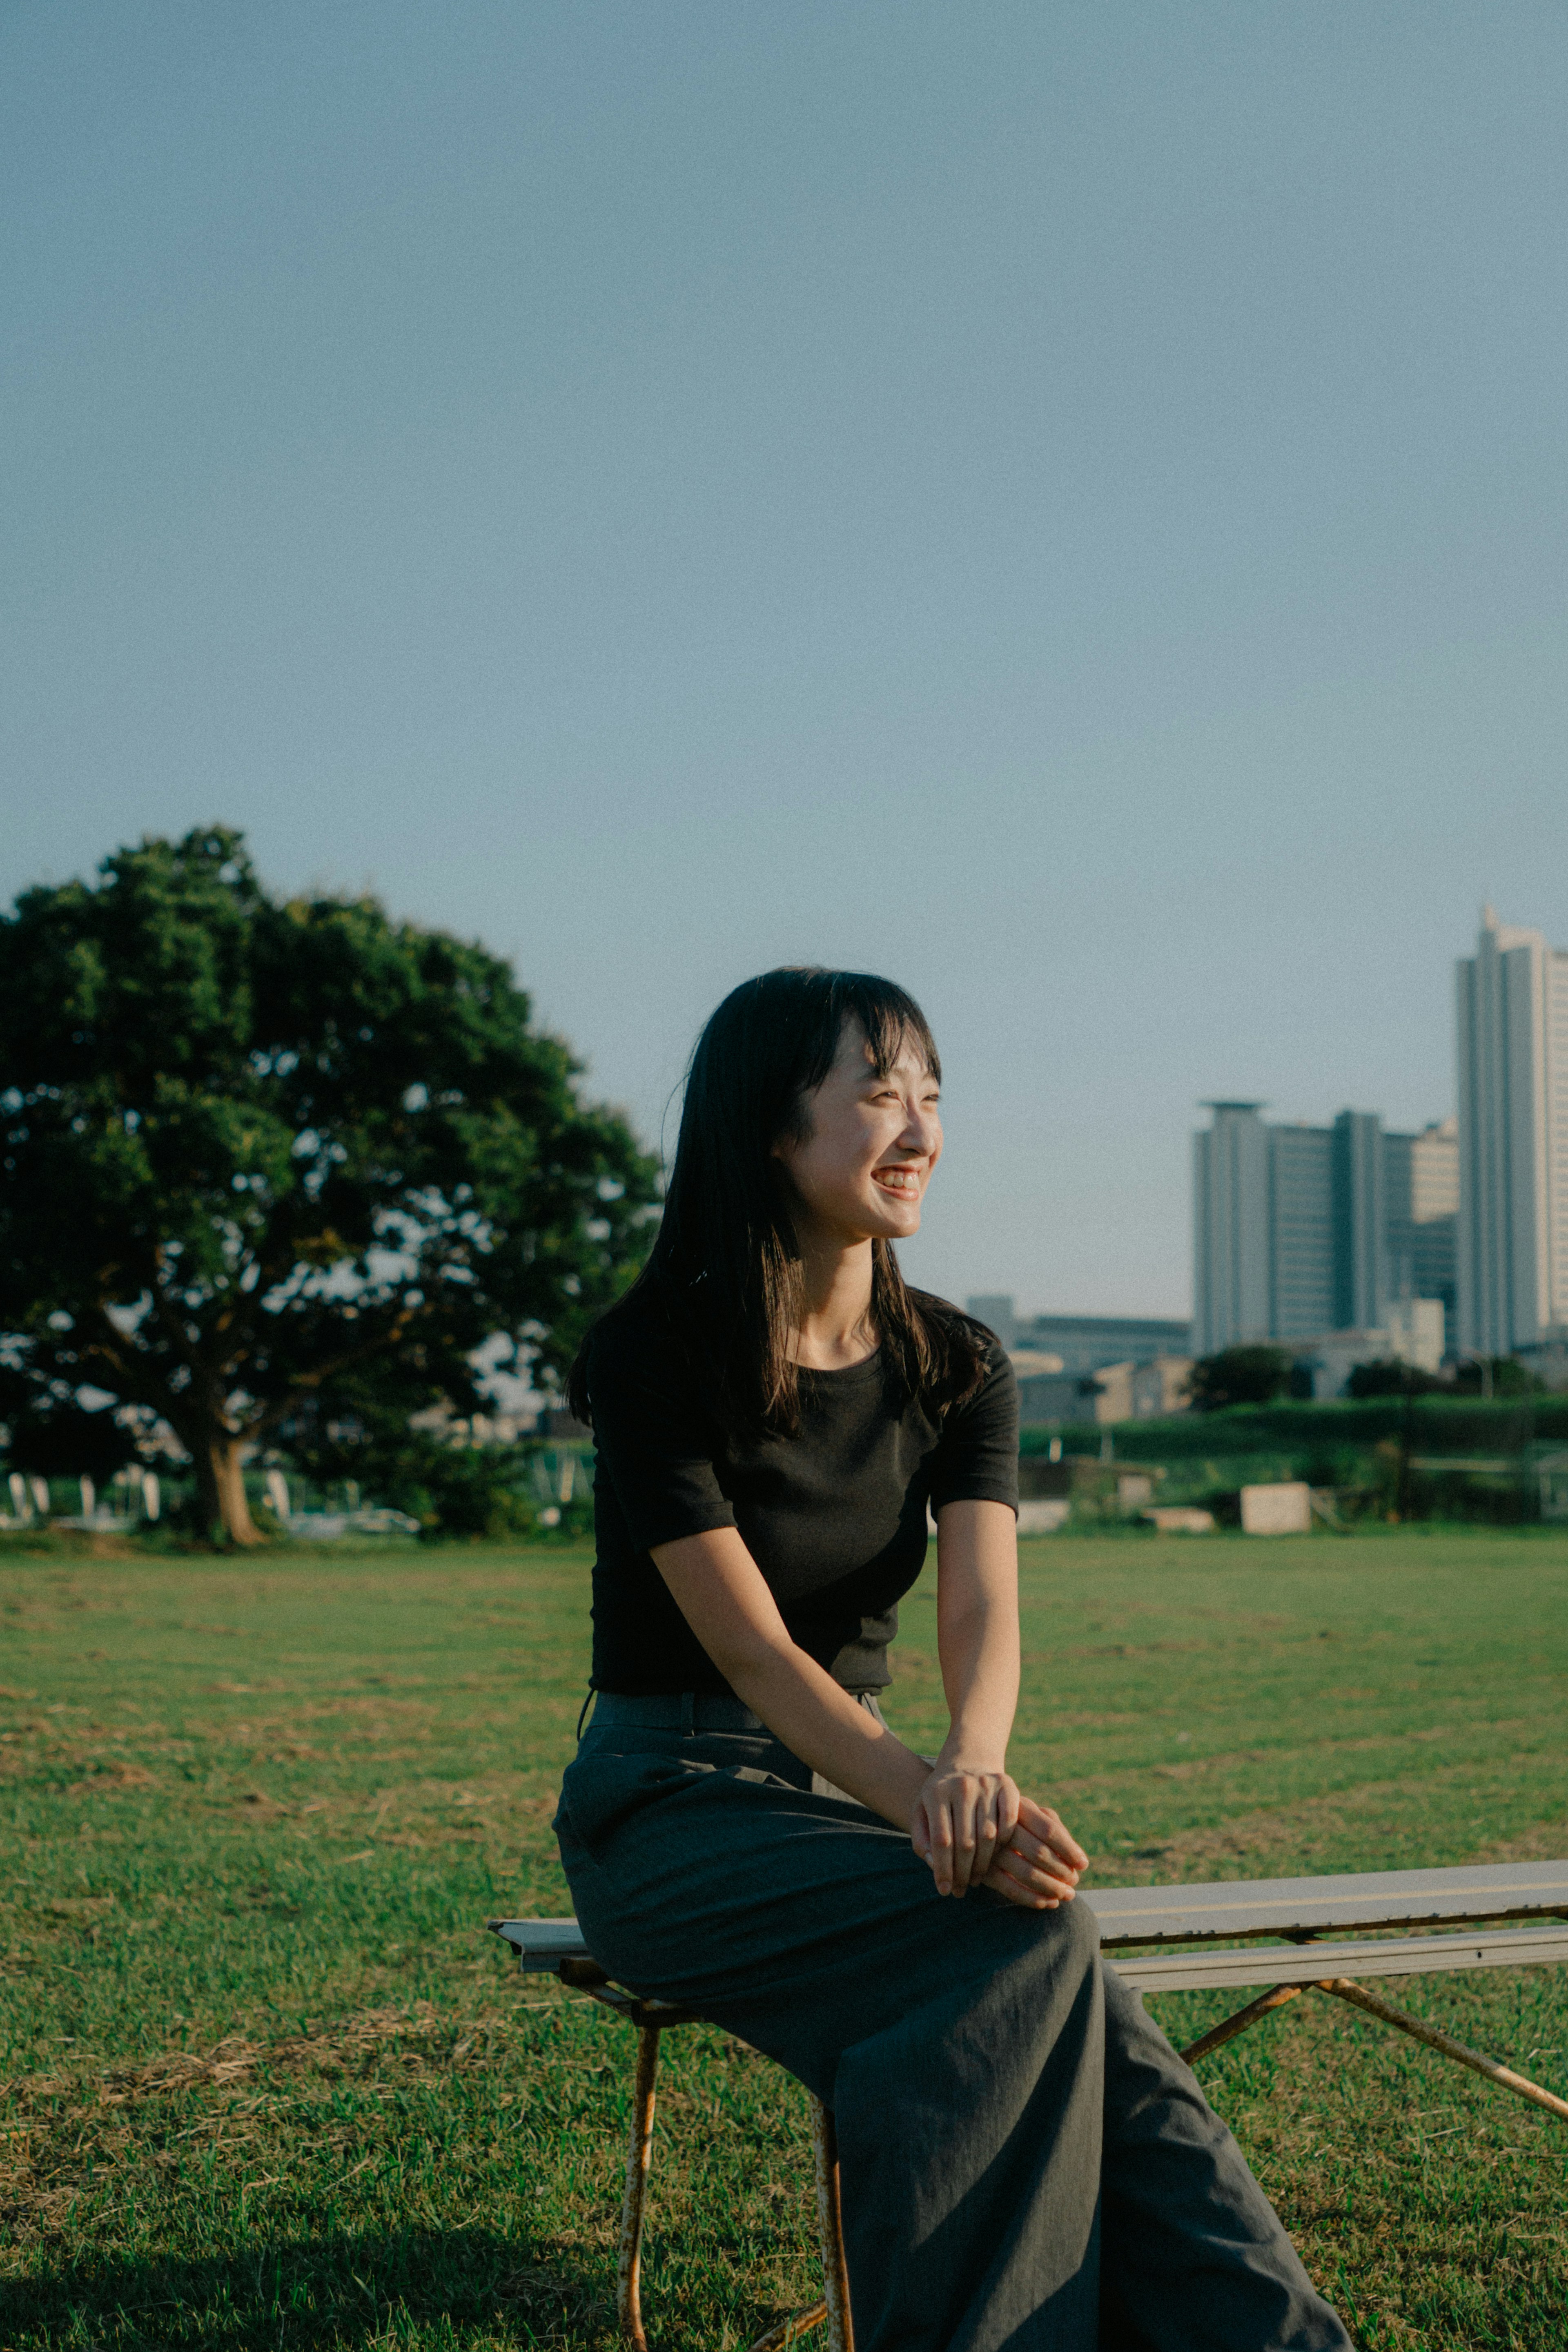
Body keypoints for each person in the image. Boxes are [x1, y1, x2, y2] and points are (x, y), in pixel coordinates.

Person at [554, 967, 1353, 2352]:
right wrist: (925, 1798)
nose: (920, 1130)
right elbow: (746, 1648)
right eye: (877, 1097)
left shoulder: (957, 1362)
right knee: (1016, 1939)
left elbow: (982, 1608)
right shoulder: (654, 1355)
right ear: (769, 1130)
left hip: (854, 1797)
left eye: (931, 1097)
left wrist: (972, 1773)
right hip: (669, 1808)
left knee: (1048, 1947)